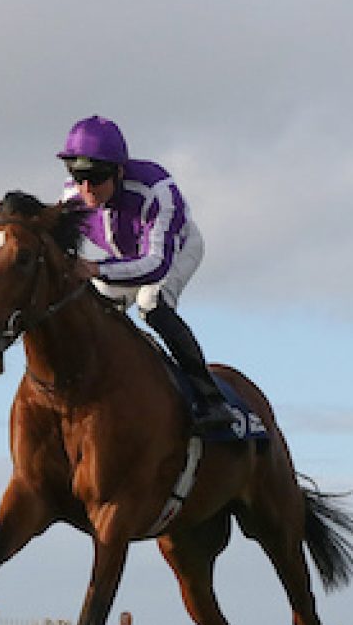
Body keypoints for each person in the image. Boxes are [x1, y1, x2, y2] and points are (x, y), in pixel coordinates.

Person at [57, 115, 232, 432]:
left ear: (118, 171)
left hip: (175, 252)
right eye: (77, 175)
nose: (86, 188)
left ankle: (211, 399)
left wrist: (96, 269)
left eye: (95, 177)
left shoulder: (158, 191)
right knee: (90, 306)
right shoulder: (73, 197)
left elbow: (155, 265)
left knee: (151, 304)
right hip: (124, 258)